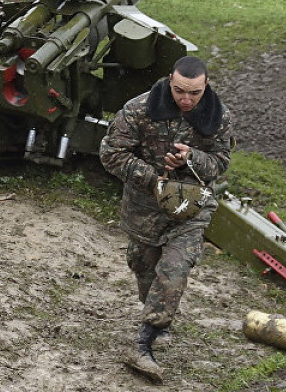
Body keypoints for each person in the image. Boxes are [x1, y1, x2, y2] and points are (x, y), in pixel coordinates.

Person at [98, 55, 233, 383]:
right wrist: (153, 176)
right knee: (145, 269)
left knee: (173, 271)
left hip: (190, 210)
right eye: (179, 91)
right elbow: (110, 153)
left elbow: (220, 162)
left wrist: (192, 158)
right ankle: (158, 319)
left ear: (206, 86)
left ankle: (143, 343)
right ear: (169, 82)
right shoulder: (138, 109)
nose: (186, 100)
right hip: (145, 210)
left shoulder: (218, 116)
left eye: (195, 93)